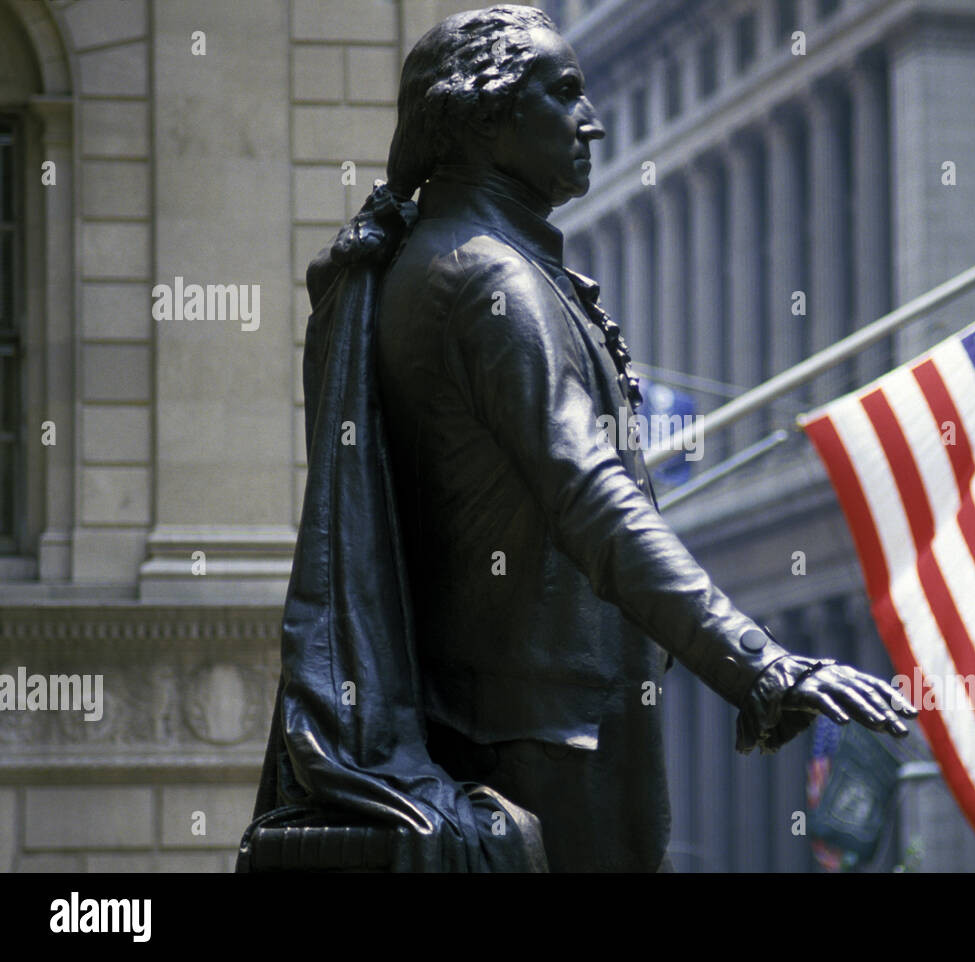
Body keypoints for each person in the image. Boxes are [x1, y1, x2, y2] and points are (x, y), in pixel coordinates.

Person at [248, 4, 916, 873]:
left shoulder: (438, 265)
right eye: (562, 94)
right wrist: (756, 664)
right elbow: (588, 493)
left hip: (507, 732)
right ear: (483, 116)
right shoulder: (489, 281)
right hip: (549, 747)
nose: (591, 119)